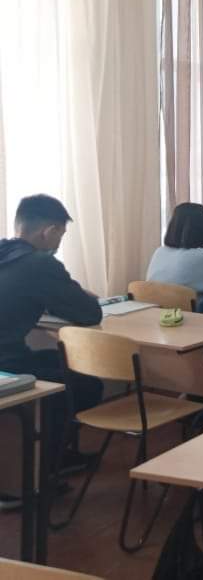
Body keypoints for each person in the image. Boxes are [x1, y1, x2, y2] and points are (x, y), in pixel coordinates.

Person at [0, 195, 103, 473]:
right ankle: (46, 465)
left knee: (54, 359)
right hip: (9, 365)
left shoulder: (5, 253)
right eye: (61, 235)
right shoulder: (39, 264)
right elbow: (89, 313)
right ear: (49, 231)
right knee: (87, 383)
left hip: (7, 359)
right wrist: (79, 295)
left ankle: (47, 455)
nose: (59, 244)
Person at [146, 202, 203, 296]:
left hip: (156, 306)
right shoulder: (199, 257)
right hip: (184, 306)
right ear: (202, 230)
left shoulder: (159, 252)